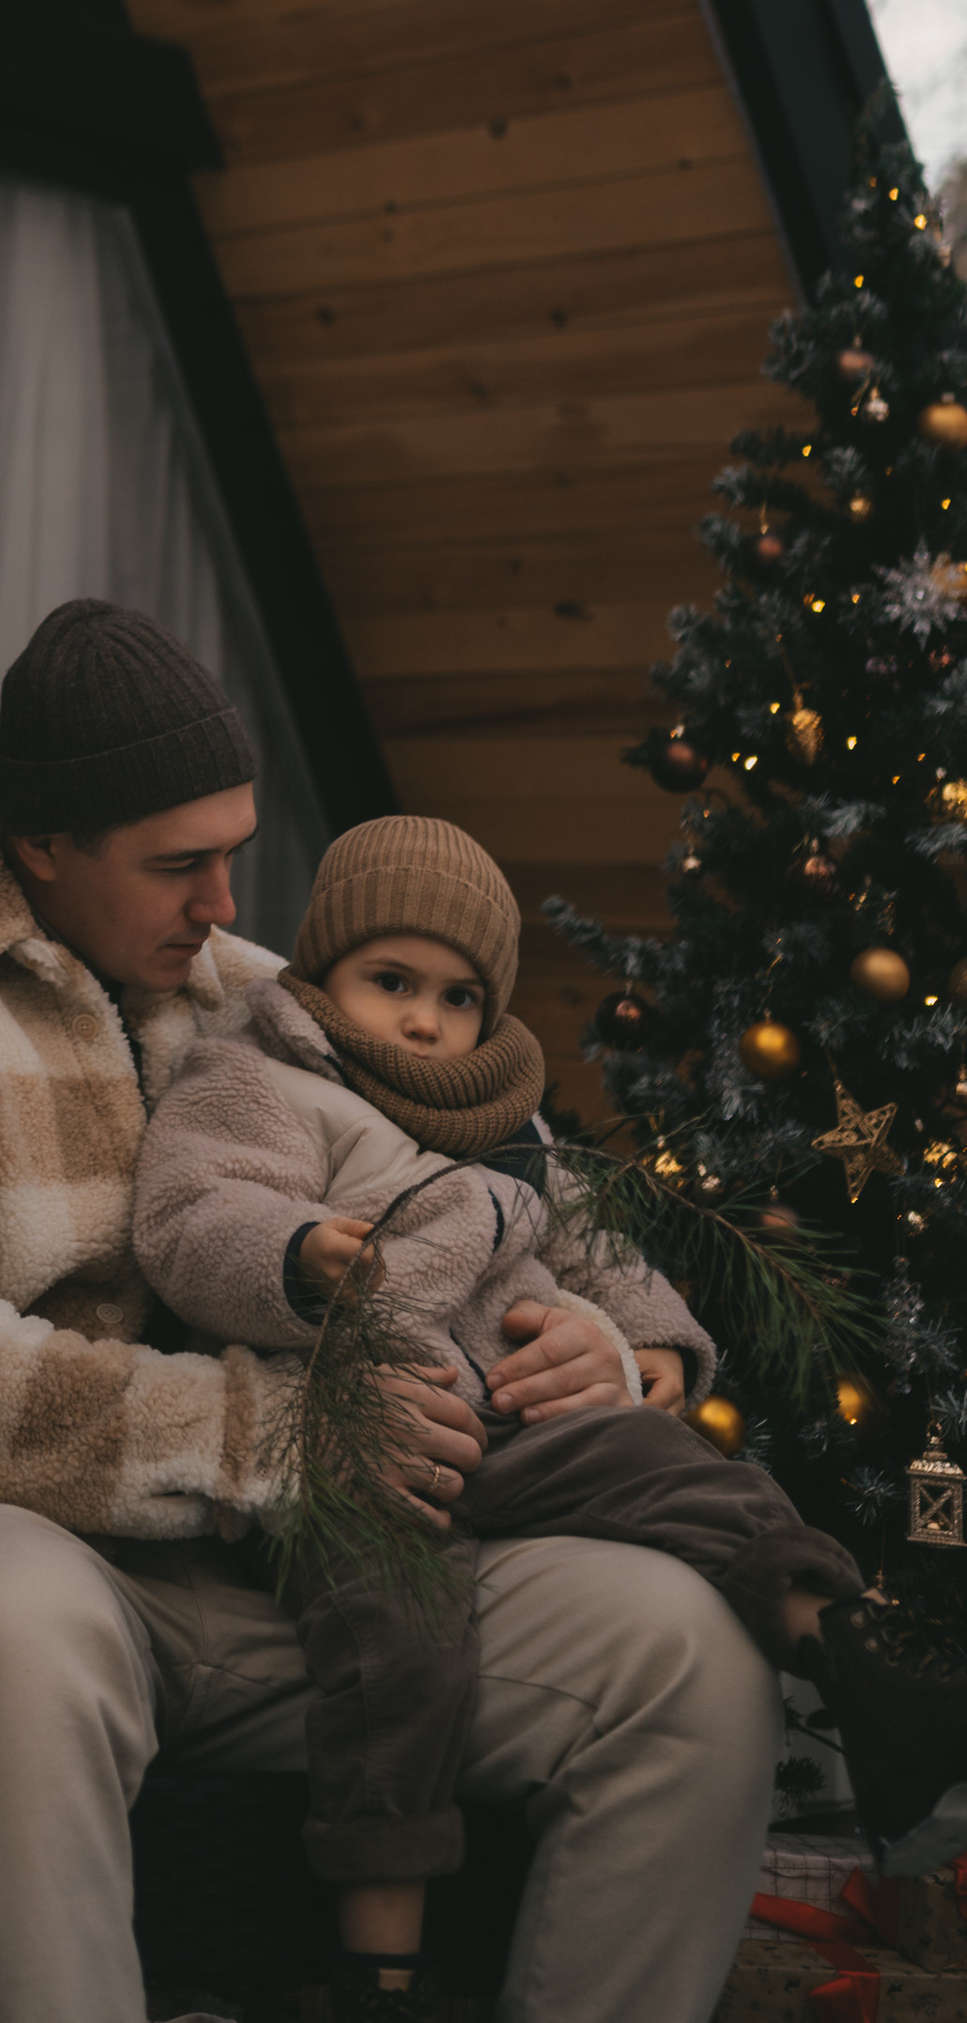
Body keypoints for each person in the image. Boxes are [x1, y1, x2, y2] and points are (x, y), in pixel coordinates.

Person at [0, 600, 792, 2023]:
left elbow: (540, 1187)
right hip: (61, 1549)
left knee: (685, 1646)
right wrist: (283, 1430)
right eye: (182, 864)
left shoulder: (282, 995)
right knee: (3, 1620)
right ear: (42, 845)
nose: (228, 901)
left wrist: (631, 1351)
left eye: (234, 850)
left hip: (347, 1574)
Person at [131, 813, 964, 2010]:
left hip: (525, 1424)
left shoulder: (508, 1129)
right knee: (393, 1650)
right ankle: (380, 1960)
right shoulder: (263, 1079)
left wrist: (656, 1348)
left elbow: (605, 1254)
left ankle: (844, 1651)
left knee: (688, 1475)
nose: (425, 1019)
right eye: (391, 981)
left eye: (459, 995)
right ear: (320, 978)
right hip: (368, 1440)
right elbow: (190, 1214)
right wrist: (296, 1249)